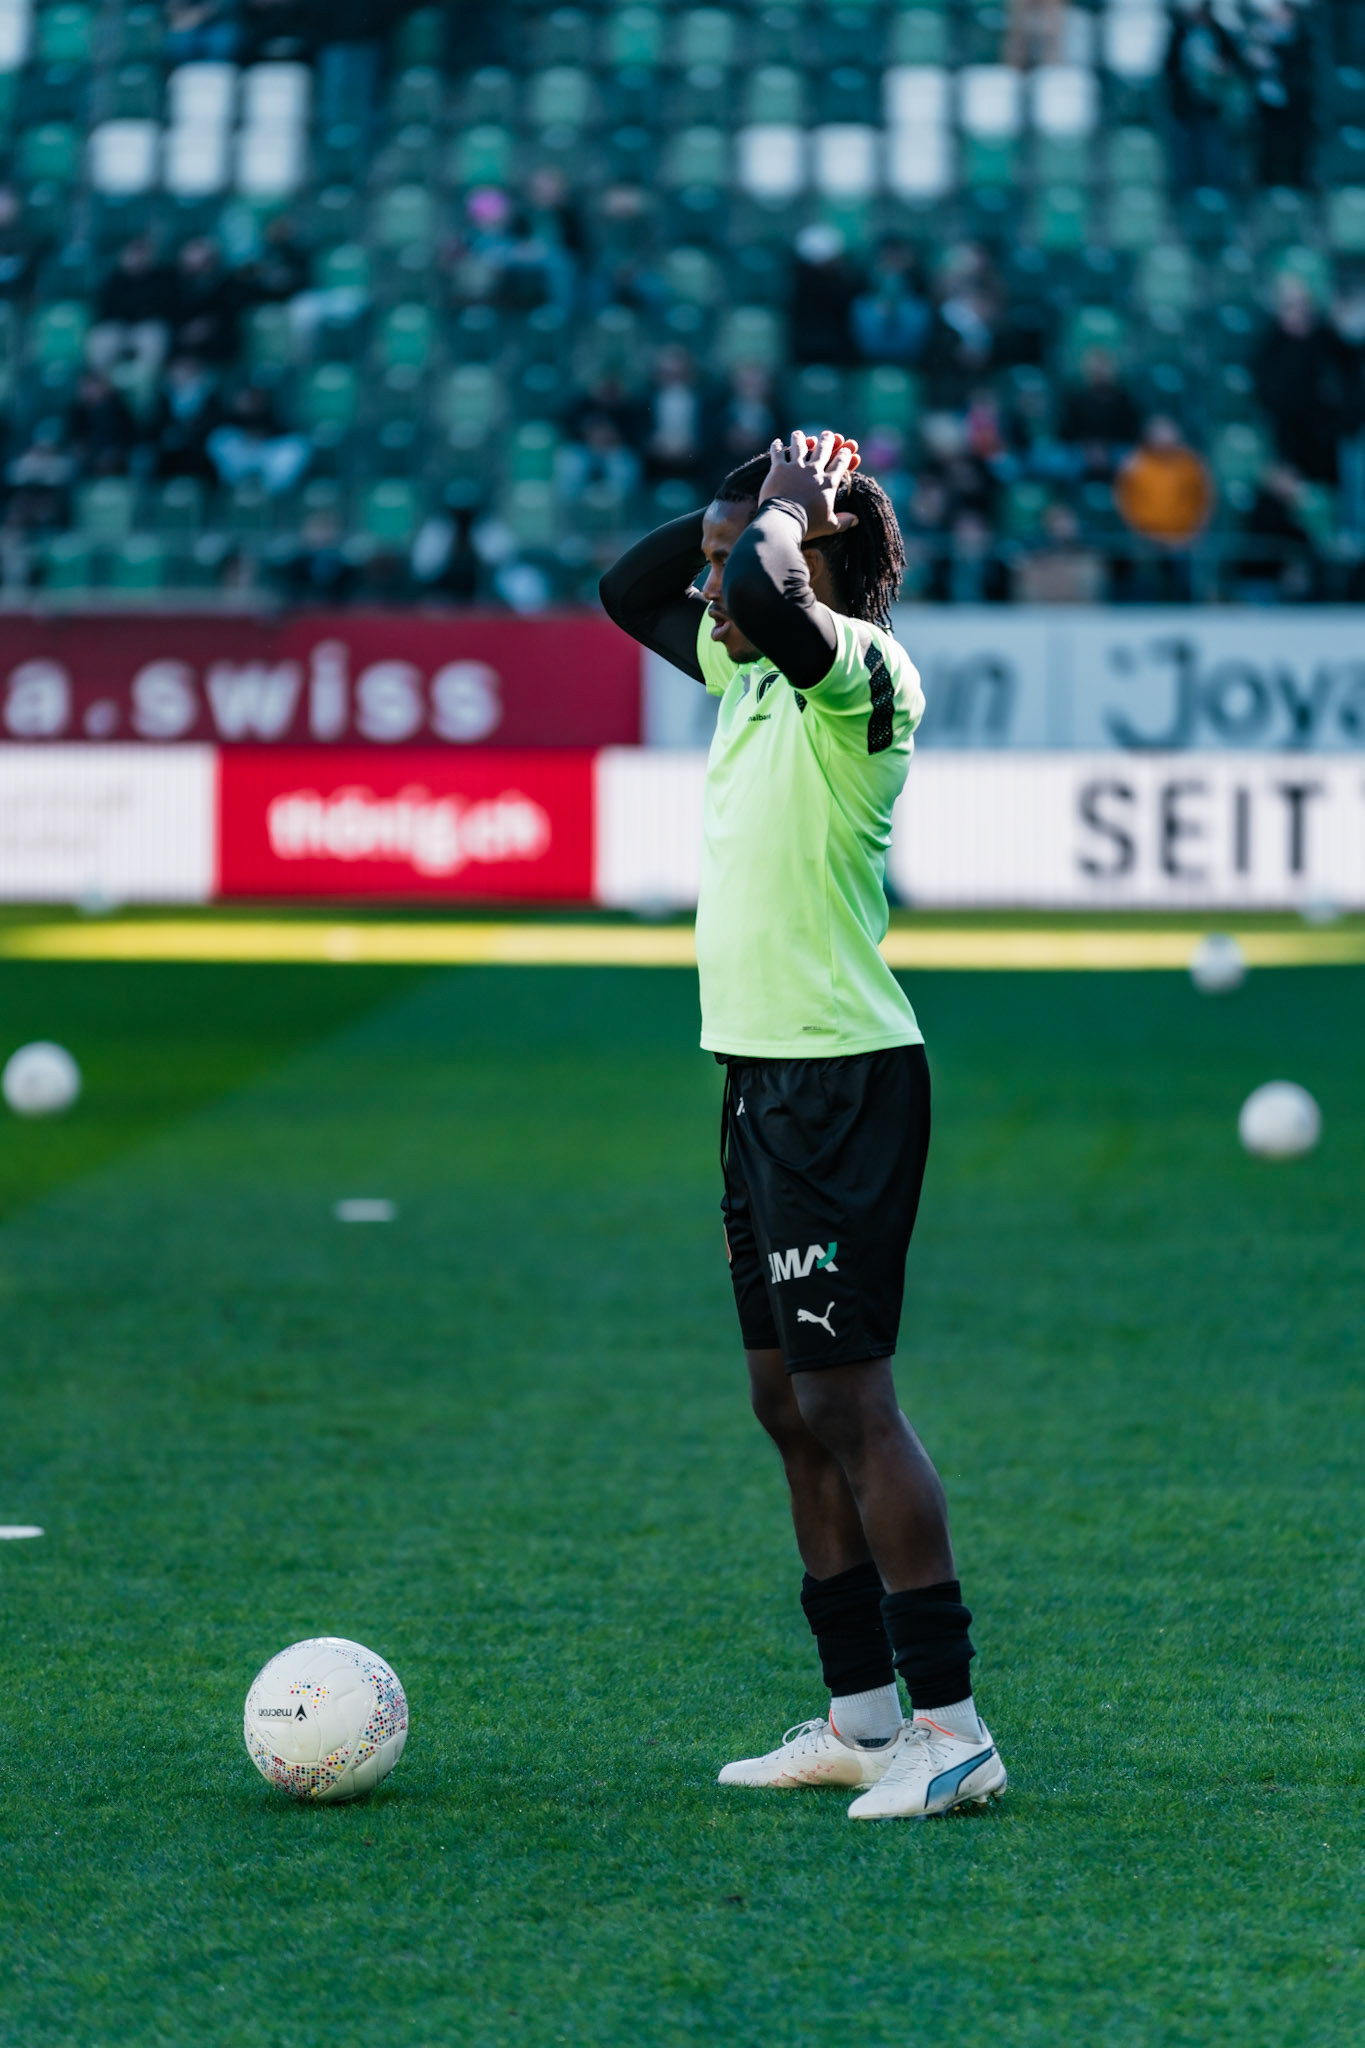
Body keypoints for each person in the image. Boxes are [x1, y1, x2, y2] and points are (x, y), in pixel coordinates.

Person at [599, 430, 1006, 1821]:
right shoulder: (752, 668)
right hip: (759, 1079)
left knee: (848, 1402)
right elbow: (626, 588)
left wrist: (778, 516)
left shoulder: (859, 674)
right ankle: (861, 1720)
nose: (707, 596)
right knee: (785, 1403)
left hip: (840, 1080)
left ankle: (952, 1731)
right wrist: (741, 504)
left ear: (811, 560)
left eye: (736, 566)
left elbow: (768, 599)